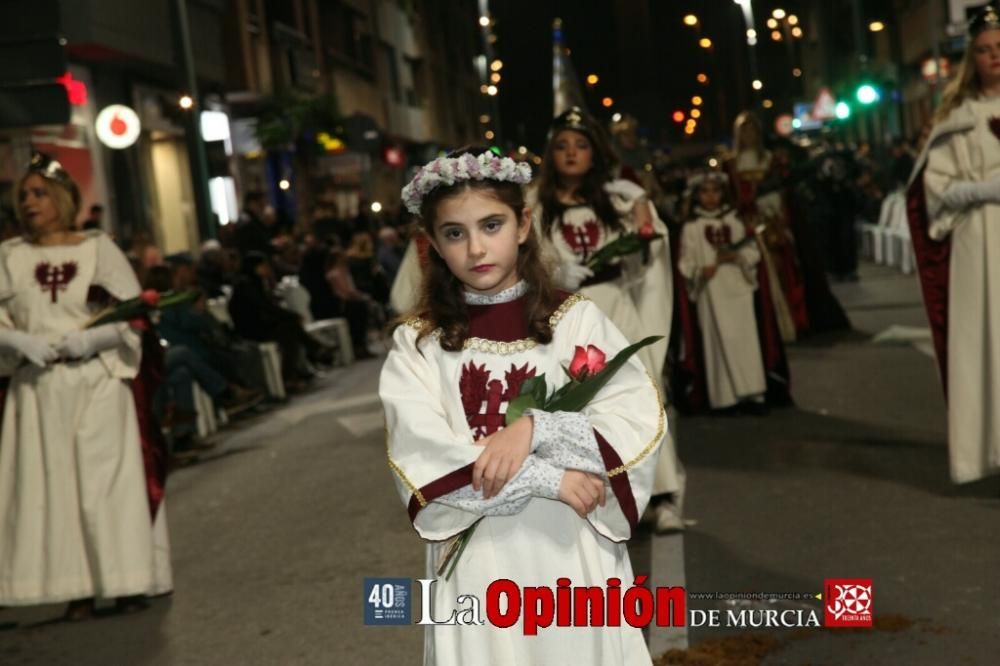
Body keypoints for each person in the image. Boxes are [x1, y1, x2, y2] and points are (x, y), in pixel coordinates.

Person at [382, 148, 666, 665]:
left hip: (571, 549)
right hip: (479, 565)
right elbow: (420, 455)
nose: (475, 248)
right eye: (454, 233)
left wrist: (536, 427)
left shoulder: (575, 320)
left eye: (491, 225)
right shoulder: (418, 344)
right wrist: (545, 479)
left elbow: (634, 418)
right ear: (432, 245)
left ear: (523, 224)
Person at [0, 153, 168, 618]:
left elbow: (134, 314)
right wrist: (17, 340)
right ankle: (74, 587)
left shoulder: (97, 249)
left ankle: (125, 580)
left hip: (96, 381)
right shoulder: (9, 257)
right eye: (23, 196)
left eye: (38, 193)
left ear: (62, 197)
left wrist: (89, 338)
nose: (30, 203)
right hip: (38, 389)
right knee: (53, 488)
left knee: (105, 483)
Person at [529, 107, 684, 533]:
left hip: (617, 311)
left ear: (596, 153)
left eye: (580, 146)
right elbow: (522, 254)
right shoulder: (534, 207)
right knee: (580, 408)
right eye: (562, 147)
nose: (572, 154)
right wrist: (552, 273)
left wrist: (640, 209)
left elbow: (648, 249)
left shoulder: (617, 200)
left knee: (641, 396)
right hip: (565, 318)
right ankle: (596, 495)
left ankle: (663, 494)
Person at [907, 4, 1000, 484]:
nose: (994, 57)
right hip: (976, 244)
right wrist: (985, 190)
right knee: (984, 346)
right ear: (972, 58)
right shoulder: (958, 120)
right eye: (984, 50)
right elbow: (935, 193)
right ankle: (989, 452)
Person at [678, 172, 767, 413]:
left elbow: (754, 254)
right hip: (711, 292)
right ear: (697, 196)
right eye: (705, 192)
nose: (711, 197)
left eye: (715, 191)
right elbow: (685, 263)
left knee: (746, 342)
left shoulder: (736, 221)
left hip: (738, 288)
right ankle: (725, 399)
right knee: (717, 343)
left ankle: (753, 394)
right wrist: (699, 270)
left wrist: (737, 256)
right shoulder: (692, 227)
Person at [727, 111, 808, 339]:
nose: (749, 136)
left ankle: (784, 323)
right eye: (744, 131)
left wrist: (779, 218)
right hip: (743, 227)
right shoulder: (730, 164)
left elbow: (781, 193)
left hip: (770, 224)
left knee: (779, 271)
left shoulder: (770, 160)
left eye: (753, 131)